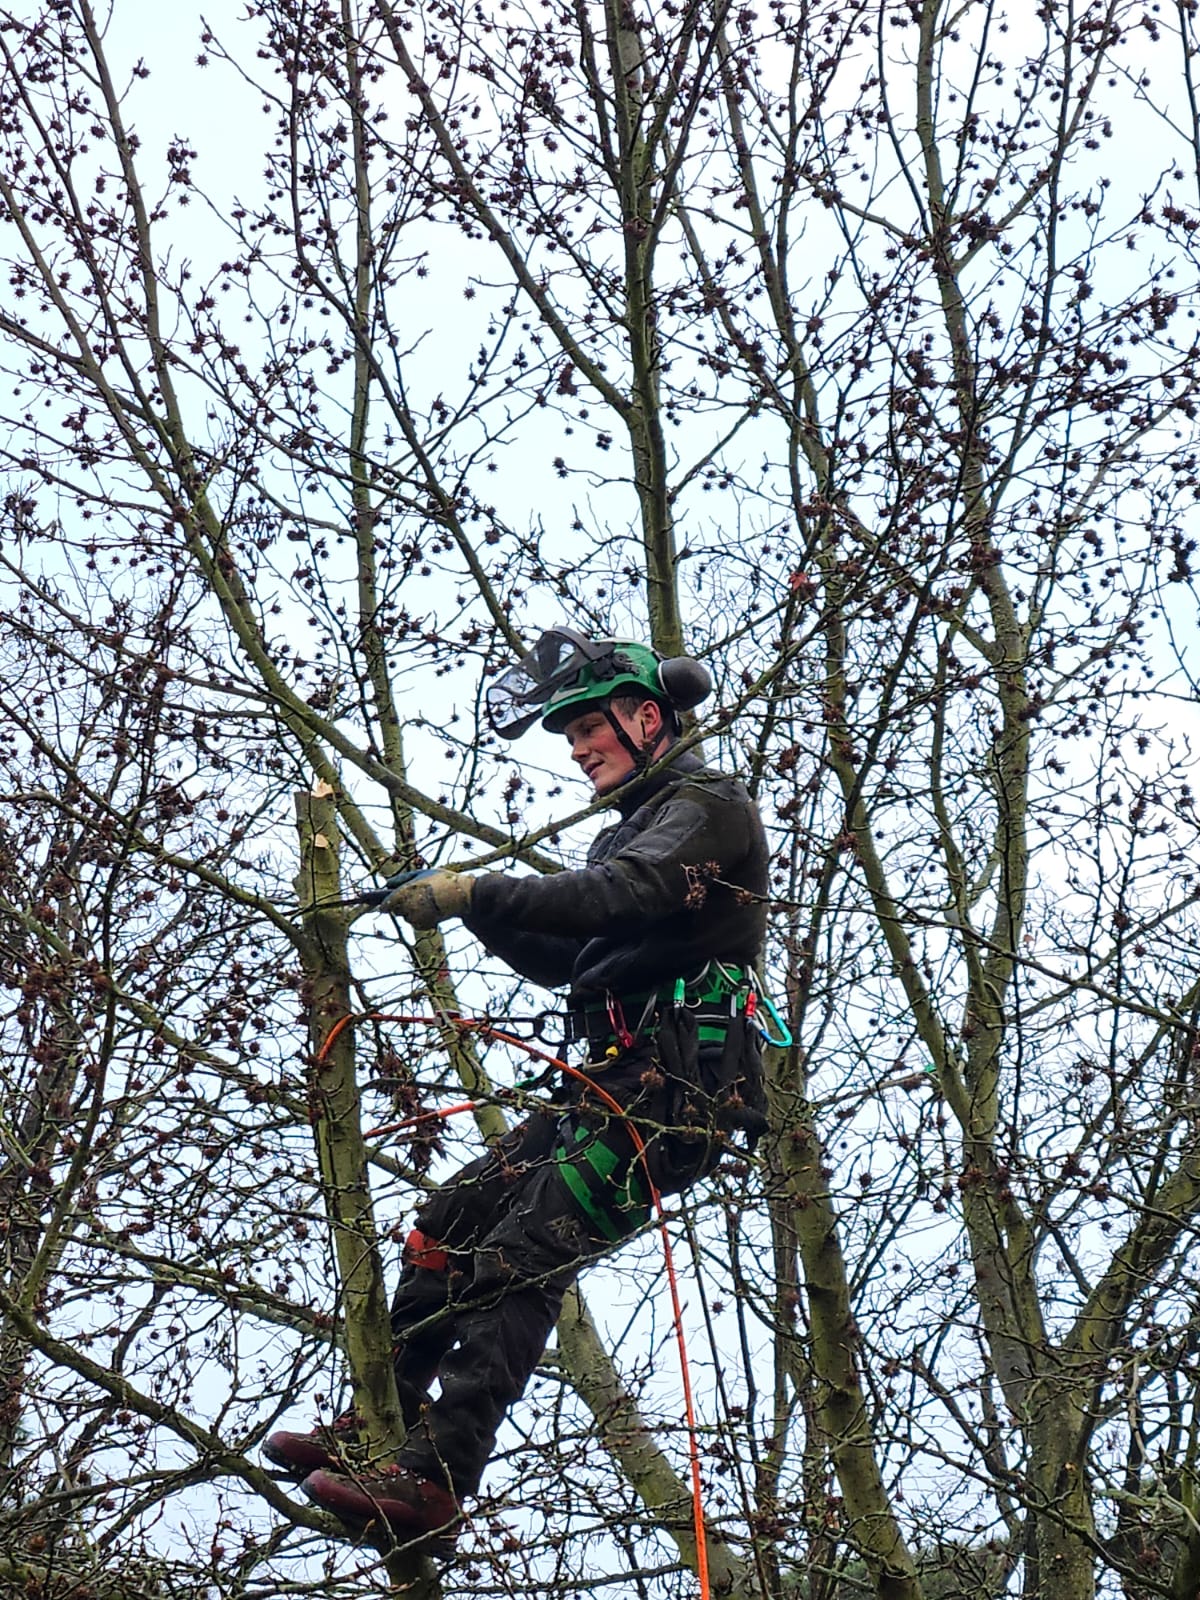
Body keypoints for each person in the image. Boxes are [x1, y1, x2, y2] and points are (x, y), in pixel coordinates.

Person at [264, 629, 770, 1542]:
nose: (576, 749)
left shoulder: (707, 807)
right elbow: (571, 953)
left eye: (587, 728)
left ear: (646, 716)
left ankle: (432, 1486)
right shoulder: (640, 822)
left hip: (677, 1101)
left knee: (523, 1253)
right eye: (568, 733)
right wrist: (471, 912)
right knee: (447, 1225)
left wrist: (476, 893)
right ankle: (382, 1423)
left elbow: (623, 893)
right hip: (607, 1088)